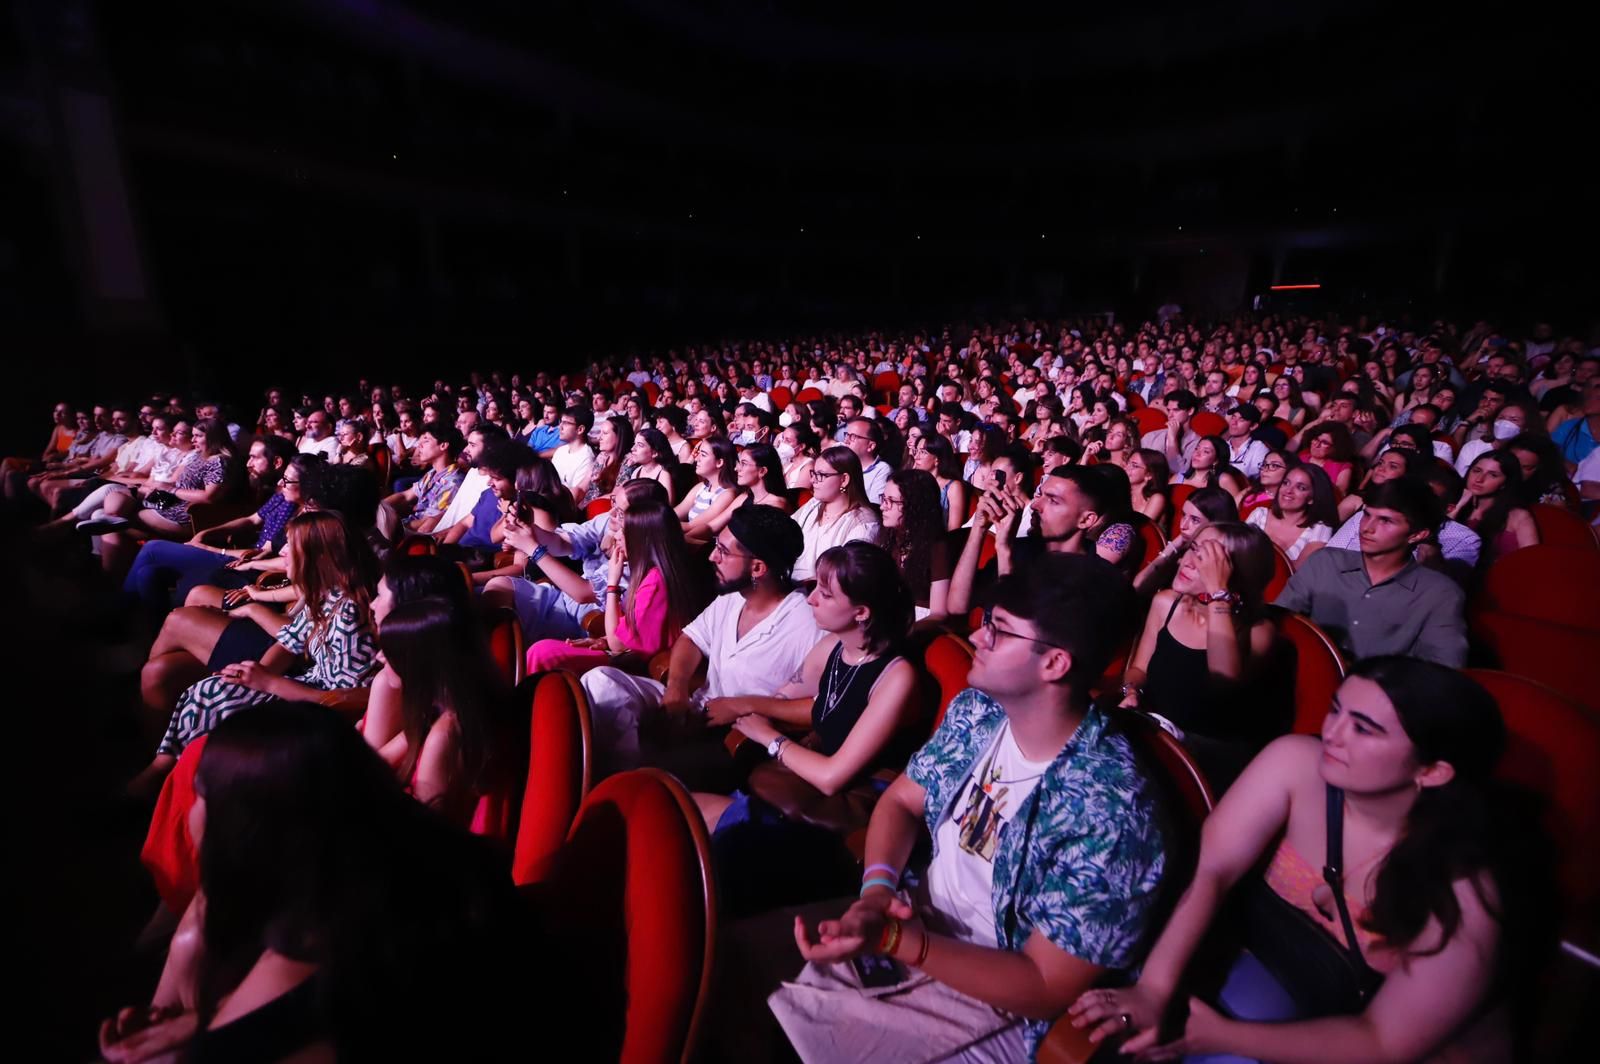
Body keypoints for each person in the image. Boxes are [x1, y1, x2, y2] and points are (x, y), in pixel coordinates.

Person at [768, 553, 1164, 1063]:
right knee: (743, 993)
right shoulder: (979, 711)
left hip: (999, 991)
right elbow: (902, 802)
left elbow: (1044, 984)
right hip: (915, 917)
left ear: (1054, 663)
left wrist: (896, 938)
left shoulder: (1111, 807)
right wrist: (877, 893)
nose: (975, 638)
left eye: (998, 630)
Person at [1068, 659, 1550, 1064]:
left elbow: (1385, 1041)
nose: (1333, 733)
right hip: (1267, 980)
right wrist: (1155, 988)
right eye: (1337, 710)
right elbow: (1212, 870)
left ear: (1433, 770)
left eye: (1364, 729)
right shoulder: (1297, 763)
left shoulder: (1463, 893)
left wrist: (1214, 1035)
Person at [103, 703, 552, 1063]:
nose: (191, 813)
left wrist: (202, 1040)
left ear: (246, 829)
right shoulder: (422, 874)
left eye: (199, 795)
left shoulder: (319, 972)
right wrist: (208, 1019)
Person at [692, 541, 920, 915]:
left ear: (861, 612)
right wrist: (748, 706)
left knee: (710, 852)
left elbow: (833, 776)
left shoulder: (896, 677)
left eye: (825, 594)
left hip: (845, 811)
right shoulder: (835, 646)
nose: (810, 598)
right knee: (683, 812)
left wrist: (771, 738)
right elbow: (789, 699)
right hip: (803, 785)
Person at [130, 511, 380, 796]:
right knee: (210, 689)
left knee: (219, 702)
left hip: (318, 705)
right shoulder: (325, 594)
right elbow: (289, 643)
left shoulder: (349, 610)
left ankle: (175, 780)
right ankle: (164, 769)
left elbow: (350, 694)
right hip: (302, 686)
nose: (284, 554)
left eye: (291, 549)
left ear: (318, 559)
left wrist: (269, 683)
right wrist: (255, 672)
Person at [579, 505, 822, 778]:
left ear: (757, 567)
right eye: (716, 545)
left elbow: (821, 706)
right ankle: (624, 775)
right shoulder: (734, 596)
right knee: (600, 682)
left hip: (732, 737)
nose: (711, 556)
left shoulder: (806, 623)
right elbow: (691, 639)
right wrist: (677, 687)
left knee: (648, 759)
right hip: (695, 704)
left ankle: (633, 783)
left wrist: (745, 705)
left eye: (723, 551)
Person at [1119, 521, 1285, 779]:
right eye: (1192, 549)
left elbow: (1224, 682)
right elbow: (1139, 669)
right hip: (1154, 734)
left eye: (1206, 560)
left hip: (1208, 755)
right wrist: (1131, 692)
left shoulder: (1258, 631)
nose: (1188, 562)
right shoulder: (1166, 603)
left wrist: (1219, 593)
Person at [1275, 477, 1468, 666]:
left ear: (1417, 534)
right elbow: (1279, 622)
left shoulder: (1440, 594)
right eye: (1366, 515)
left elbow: (1442, 671)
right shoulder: (1325, 562)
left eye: (1385, 521)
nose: (1367, 528)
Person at [524, 496, 710, 676]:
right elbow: (629, 629)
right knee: (543, 650)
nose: (617, 536)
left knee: (544, 654)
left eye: (624, 531)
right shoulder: (648, 572)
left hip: (635, 664)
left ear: (642, 540)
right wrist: (601, 640)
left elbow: (619, 643)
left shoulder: (655, 581)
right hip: (622, 651)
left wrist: (613, 583)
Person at [122, 446, 316, 618]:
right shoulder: (284, 497)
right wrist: (206, 533)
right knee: (148, 574)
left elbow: (265, 554)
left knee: (153, 548)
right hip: (243, 560)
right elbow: (252, 519)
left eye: (288, 480)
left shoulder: (301, 515)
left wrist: (210, 548)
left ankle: (122, 612)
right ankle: (147, 628)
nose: (282, 484)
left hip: (248, 564)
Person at [485, 476, 667, 642]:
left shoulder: (641, 552)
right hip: (563, 599)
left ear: (642, 519)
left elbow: (584, 594)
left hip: (589, 618)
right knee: (498, 587)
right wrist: (529, 526)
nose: (611, 513)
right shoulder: (607, 521)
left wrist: (533, 548)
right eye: (613, 503)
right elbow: (563, 543)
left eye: (620, 512)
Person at [877, 469, 951, 622]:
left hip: (916, 622)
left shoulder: (937, 547)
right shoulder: (888, 536)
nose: (883, 507)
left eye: (891, 501)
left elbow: (939, 614)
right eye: (883, 499)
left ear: (914, 506)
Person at [375, 424, 465, 542]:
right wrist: (377, 507)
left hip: (419, 535)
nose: (419, 445)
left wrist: (390, 527)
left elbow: (428, 522)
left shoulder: (452, 482)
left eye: (426, 441)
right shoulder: (433, 472)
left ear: (443, 445)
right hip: (409, 524)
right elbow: (405, 496)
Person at [1451, 450, 1540, 564]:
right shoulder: (1452, 503)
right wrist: (1457, 508)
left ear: (1505, 483)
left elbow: (1533, 561)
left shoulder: (1518, 516)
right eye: (1476, 471)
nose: (1479, 479)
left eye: (1493, 475)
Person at [1246, 462, 1338, 566]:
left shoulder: (1320, 528)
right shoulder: (1259, 514)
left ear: (1312, 498)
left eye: (1301, 488)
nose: (1288, 490)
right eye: (1286, 483)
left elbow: (1300, 570)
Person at [677, 435, 741, 538]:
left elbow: (691, 526)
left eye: (703, 455)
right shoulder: (701, 487)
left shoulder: (727, 494)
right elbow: (675, 513)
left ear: (719, 462)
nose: (697, 459)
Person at [909, 431, 968, 531]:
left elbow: (953, 530)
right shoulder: (916, 481)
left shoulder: (953, 487)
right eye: (916, 451)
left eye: (923, 452)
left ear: (937, 459)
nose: (916, 457)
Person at [841, 417, 893, 503]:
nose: (846, 441)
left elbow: (874, 508)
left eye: (853, 436)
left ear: (870, 446)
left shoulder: (882, 470)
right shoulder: (841, 462)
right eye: (847, 435)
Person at [549, 405, 596, 498]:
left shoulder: (586, 457)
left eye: (565, 423)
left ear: (580, 429)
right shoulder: (561, 451)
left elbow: (575, 495)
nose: (560, 427)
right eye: (560, 422)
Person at [1127, 447, 1172, 525]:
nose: (1126, 468)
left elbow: (1141, 528)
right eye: (1128, 463)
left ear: (1149, 475)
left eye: (1134, 466)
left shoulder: (1157, 498)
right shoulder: (1123, 492)